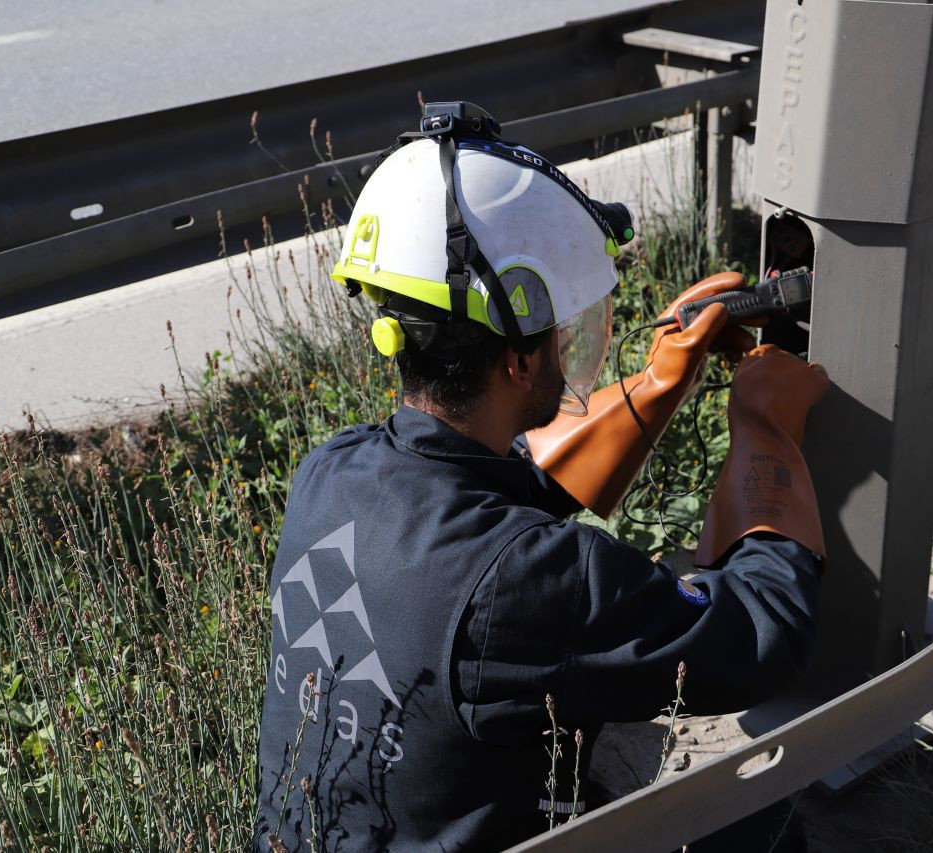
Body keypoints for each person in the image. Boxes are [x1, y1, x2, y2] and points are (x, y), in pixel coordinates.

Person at [253, 102, 830, 852]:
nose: (570, 344)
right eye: (562, 330)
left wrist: (659, 383)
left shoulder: (330, 470)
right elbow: (764, 633)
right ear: (519, 358)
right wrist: (766, 427)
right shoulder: (523, 582)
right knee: (764, 831)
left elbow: (513, 481)